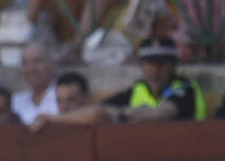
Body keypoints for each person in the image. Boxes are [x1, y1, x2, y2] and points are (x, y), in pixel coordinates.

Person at [31, 37, 203, 127]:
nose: (155, 71)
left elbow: (159, 114)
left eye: (161, 64)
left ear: (173, 66)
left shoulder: (185, 88)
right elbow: (98, 111)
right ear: (142, 66)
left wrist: (119, 114)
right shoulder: (138, 89)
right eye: (149, 64)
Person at [10, 41, 58, 125]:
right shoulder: (15, 101)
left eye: (37, 61)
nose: (31, 68)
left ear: (52, 65)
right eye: (25, 63)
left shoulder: (66, 97)